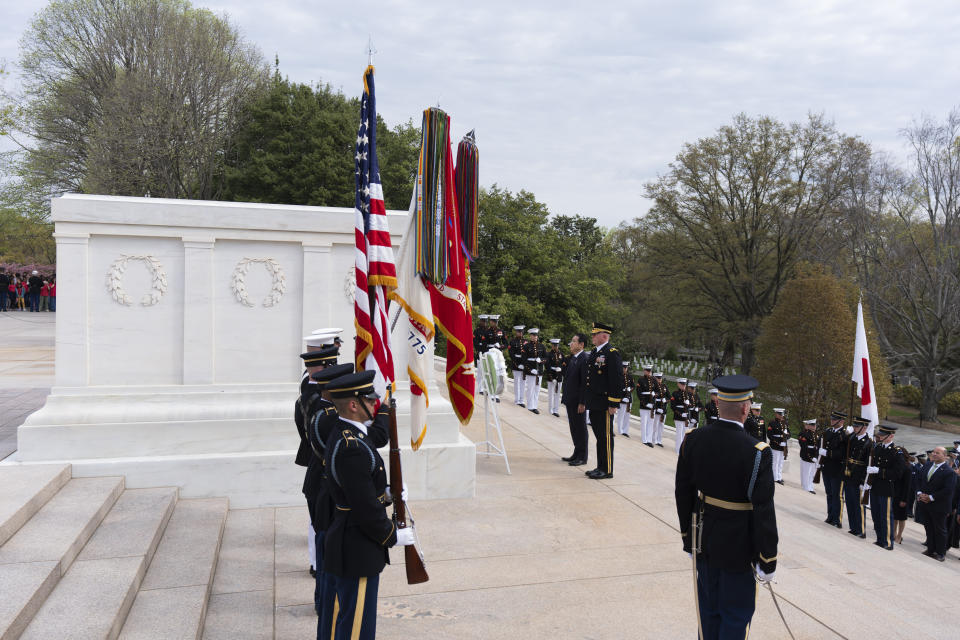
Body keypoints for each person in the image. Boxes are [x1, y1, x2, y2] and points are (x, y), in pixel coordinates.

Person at [675, 374, 778, 640]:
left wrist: (688, 539)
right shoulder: (757, 451)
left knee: (708, 613)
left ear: (718, 403)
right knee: (735, 616)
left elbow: (683, 493)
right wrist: (768, 559)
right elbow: (763, 509)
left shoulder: (693, 438)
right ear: (746, 408)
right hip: (738, 549)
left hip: (703, 540)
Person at [322, 370, 416, 640]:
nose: (376, 403)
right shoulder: (352, 446)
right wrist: (392, 535)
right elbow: (363, 507)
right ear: (354, 405)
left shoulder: (349, 435)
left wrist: (387, 494)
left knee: (348, 620)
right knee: (356, 630)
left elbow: (357, 489)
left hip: (350, 542)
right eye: (369, 399)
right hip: (356, 547)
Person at [580, 322, 623, 479]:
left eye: (594, 334)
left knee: (605, 437)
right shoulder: (595, 352)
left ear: (604, 336)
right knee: (599, 436)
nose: (592, 337)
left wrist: (613, 403)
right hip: (594, 401)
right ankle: (600, 466)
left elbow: (616, 380)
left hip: (605, 402)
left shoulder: (611, 353)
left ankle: (607, 469)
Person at [865, 424, 908, 550]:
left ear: (891, 436)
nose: (880, 436)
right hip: (875, 486)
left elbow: (897, 473)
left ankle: (888, 542)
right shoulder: (878, 448)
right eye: (880, 434)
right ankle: (880, 539)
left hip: (886, 488)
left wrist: (878, 471)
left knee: (886, 516)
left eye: (883, 435)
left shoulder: (896, 452)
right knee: (876, 514)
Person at [916, 446, 957, 562]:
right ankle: (930, 549)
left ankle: (940, 553)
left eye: (937, 453)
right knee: (928, 527)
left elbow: (948, 490)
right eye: (933, 452)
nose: (934, 454)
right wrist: (920, 493)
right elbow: (920, 480)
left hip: (939, 505)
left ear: (945, 456)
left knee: (940, 529)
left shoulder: (949, 472)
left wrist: (931, 497)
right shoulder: (928, 465)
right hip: (924, 502)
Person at [560, 333, 589, 467]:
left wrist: (583, 402)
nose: (571, 344)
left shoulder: (584, 359)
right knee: (574, 427)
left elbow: (584, 383)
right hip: (571, 399)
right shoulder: (574, 358)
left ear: (581, 345)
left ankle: (582, 456)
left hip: (578, 401)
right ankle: (576, 453)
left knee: (580, 428)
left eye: (574, 341)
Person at [843, 417, 874, 539]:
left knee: (858, 505)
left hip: (859, 477)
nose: (855, 428)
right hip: (848, 474)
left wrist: (863, 481)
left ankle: (861, 530)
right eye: (854, 426)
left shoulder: (869, 443)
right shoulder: (851, 438)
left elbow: (868, 464)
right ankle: (853, 527)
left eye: (857, 426)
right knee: (850, 502)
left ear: (864, 428)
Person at [819, 411, 847, 528]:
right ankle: (830, 516)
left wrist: (828, 453)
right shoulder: (828, 431)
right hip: (827, 468)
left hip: (837, 470)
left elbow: (842, 453)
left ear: (841, 421)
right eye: (832, 419)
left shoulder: (844, 436)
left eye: (834, 419)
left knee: (837, 495)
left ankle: (837, 519)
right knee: (829, 493)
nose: (832, 421)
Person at [522, 328, 546, 414]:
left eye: (536, 335)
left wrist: (541, 360)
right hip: (531, 371)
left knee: (537, 389)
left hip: (539, 370)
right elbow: (524, 360)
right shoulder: (526, 346)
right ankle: (530, 406)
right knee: (530, 389)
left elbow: (545, 358)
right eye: (533, 335)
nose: (535, 337)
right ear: (530, 336)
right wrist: (530, 370)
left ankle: (535, 406)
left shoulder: (541, 346)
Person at [767, 408, 789, 485]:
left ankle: (779, 477)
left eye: (782, 414)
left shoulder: (785, 423)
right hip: (775, 446)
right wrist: (778, 443)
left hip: (783, 446)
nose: (781, 416)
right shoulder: (772, 423)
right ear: (776, 414)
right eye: (779, 414)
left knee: (781, 462)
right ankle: (774, 477)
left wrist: (787, 436)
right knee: (775, 462)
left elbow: (789, 433)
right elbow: (770, 435)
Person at [636, 364, 656, 447]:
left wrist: (656, 394)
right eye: (647, 370)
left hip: (652, 405)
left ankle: (649, 440)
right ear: (644, 371)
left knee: (650, 424)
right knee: (644, 423)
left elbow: (658, 391)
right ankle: (644, 439)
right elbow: (639, 393)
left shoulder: (654, 380)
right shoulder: (640, 380)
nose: (648, 372)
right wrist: (645, 403)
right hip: (644, 405)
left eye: (649, 371)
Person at [545, 338, 565, 418]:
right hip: (552, 376)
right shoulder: (548, 354)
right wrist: (551, 377)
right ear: (552, 346)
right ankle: (550, 410)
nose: (556, 347)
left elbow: (564, 364)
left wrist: (561, 369)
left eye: (557, 345)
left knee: (557, 394)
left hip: (559, 376)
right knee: (551, 394)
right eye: (554, 345)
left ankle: (556, 410)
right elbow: (547, 366)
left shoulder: (561, 354)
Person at [797, 419, 819, 493]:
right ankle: (806, 486)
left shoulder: (816, 434)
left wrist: (816, 457)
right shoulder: (805, 434)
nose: (814, 426)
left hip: (814, 456)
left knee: (812, 473)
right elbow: (804, 446)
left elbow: (817, 447)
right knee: (806, 472)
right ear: (809, 426)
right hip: (807, 456)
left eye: (815, 425)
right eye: (813, 425)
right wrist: (810, 457)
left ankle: (810, 486)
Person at [671, 378, 691, 454]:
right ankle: (678, 449)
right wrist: (680, 413)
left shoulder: (688, 394)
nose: (683, 386)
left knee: (685, 434)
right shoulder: (675, 393)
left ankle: (683, 449)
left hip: (686, 416)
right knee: (679, 434)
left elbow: (691, 406)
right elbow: (673, 406)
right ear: (678, 384)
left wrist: (688, 404)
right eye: (682, 384)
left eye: (684, 384)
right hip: (678, 416)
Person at [614, 361, 634, 437]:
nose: (625, 369)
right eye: (624, 367)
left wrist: (629, 389)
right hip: (621, 398)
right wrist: (623, 390)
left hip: (628, 399)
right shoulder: (618, 376)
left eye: (626, 367)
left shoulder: (630, 376)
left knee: (627, 416)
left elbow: (633, 386)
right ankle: (620, 430)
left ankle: (625, 430)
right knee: (620, 415)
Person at [508, 325, 526, 406]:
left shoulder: (526, 341)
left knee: (523, 383)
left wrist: (525, 364)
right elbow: (511, 354)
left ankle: (521, 400)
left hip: (524, 364)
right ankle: (517, 400)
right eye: (519, 332)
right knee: (517, 382)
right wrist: (517, 364)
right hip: (516, 364)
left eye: (521, 332)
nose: (520, 333)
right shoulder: (512, 341)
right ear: (516, 332)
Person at [651, 372, 668, 447]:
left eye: (660, 378)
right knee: (655, 425)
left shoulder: (664, 386)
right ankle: (653, 439)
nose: (659, 379)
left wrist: (665, 400)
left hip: (663, 408)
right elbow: (652, 396)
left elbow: (669, 396)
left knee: (661, 425)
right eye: (658, 378)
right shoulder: (653, 386)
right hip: (656, 407)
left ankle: (659, 440)